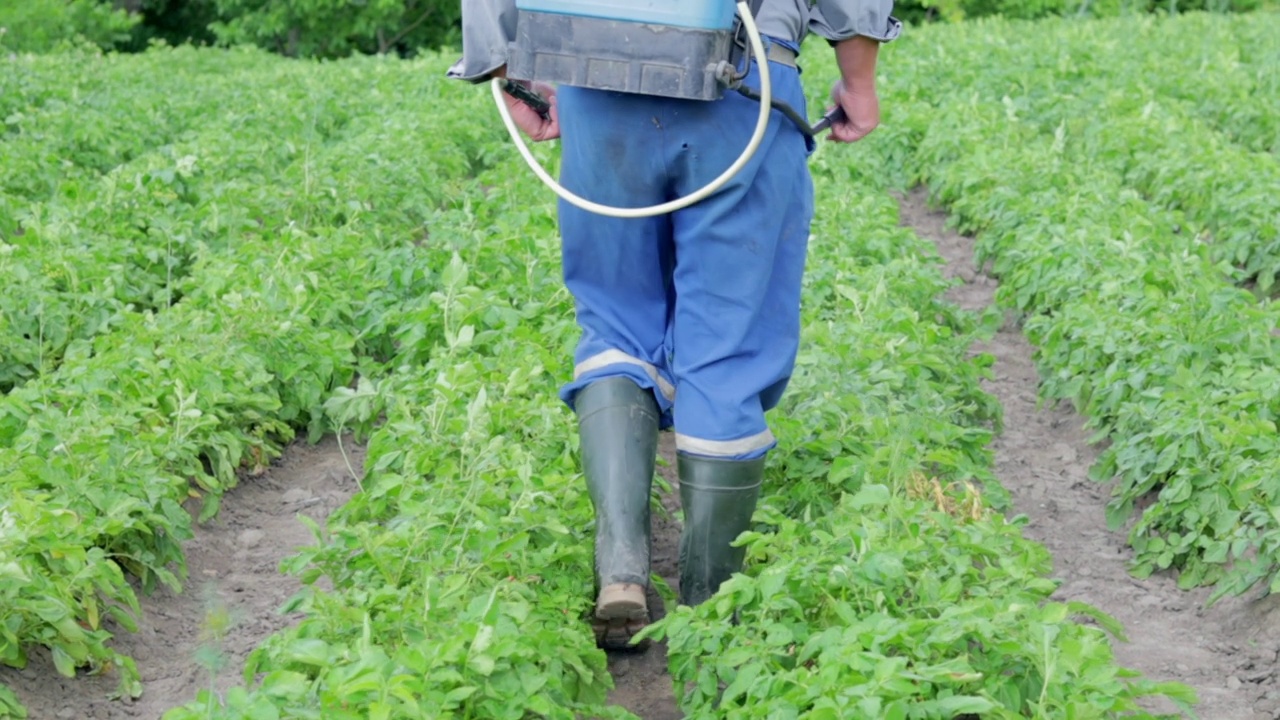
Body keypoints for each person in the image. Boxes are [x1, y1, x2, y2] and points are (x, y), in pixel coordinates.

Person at [449, 0, 900, 651]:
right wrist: (858, 79)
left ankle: (622, 567)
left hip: (596, 73)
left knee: (614, 322)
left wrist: (506, 67)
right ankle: (710, 614)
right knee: (727, 352)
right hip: (746, 83)